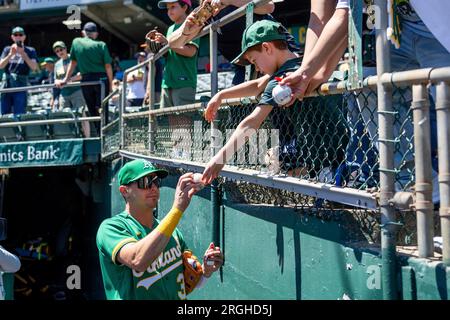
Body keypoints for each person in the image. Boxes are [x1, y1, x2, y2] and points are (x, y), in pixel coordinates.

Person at [201, 19, 348, 182]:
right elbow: (257, 85)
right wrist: (221, 96)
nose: (256, 68)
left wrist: (219, 159)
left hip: (318, 153)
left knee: (271, 158)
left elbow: (251, 123)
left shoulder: (281, 80)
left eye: (254, 61)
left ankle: (321, 175)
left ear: (266, 47)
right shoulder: (303, 64)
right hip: (344, 146)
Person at [96, 159, 223, 300]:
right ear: (125, 191)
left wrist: (206, 270)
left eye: (156, 182)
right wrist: (177, 209)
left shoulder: (172, 232)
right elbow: (137, 260)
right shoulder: (111, 228)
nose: (153, 188)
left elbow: (187, 282)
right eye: (145, 182)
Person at [168, 0, 302, 86]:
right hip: (244, 66)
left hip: (277, 54)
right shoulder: (205, 10)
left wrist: (228, 0)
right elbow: (173, 42)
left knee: (290, 99)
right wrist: (185, 30)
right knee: (239, 108)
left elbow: (268, 6)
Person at [56, 22, 113, 133]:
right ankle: (106, 135)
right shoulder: (101, 45)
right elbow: (108, 66)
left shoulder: (76, 42)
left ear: (83, 33)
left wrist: (66, 79)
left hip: (86, 80)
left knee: (92, 110)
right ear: (95, 34)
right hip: (101, 79)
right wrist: (110, 86)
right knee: (102, 108)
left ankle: (99, 134)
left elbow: (73, 63)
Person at [154, 0, 200, 108]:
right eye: (168, 8)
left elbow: (190, 52)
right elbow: (170, 52)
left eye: (173, 7)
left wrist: (167, 43)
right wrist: (160, 48)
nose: (169, 11)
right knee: (170, 123)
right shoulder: (170, 28)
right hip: (167, 81)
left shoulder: (193, 24)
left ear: (184, 7)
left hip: (184, 81)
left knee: (184, 122)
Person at [0, 26, 38, 115]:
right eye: (15, 35)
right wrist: (10, 54)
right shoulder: (7, 49)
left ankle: (21, 128)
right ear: (12, 37)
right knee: (4, 113)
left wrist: (23, 54)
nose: (18, 36)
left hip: (21, 84)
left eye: (20, 34)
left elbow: (34, 67)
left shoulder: (31, 50)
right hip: (7, 84)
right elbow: (1, 66)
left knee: (20, 113)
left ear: (24, 37)